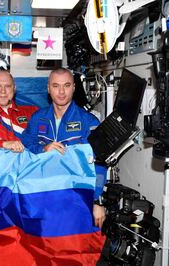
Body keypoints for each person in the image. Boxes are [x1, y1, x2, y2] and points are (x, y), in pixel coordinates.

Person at [21, 67, 106, 228]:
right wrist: (43, 149)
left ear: (74, 87)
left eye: (66, 85)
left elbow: (100, 163)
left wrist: (96, 200)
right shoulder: (38, 118)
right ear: (48, 89)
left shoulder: (89, 121)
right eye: (55, 86)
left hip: (76, 198)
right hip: (42, 195)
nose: (61, 91)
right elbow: (26, 144)